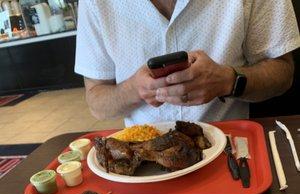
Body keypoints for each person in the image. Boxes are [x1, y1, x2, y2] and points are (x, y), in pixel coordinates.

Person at [75, 0, 300, 126]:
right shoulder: (95, 3)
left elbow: (283, 71)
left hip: (231, 150)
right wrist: (135, 89)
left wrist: (229, 81)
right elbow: (97, 102)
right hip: (141, 157)